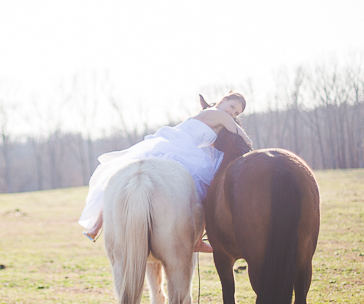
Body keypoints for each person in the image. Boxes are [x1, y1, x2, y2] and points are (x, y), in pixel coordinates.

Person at [79, 92, 252, 252]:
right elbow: (237, 131)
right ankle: (197, 240)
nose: (232, 114)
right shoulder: (219, 114)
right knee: (207, 189)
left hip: (170, 143)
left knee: (123, 172)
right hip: (183, 149)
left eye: (236, 113)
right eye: (232, 107)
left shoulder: (210, 115)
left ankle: (96, 227)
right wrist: (250, 146)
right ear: (223, 100)